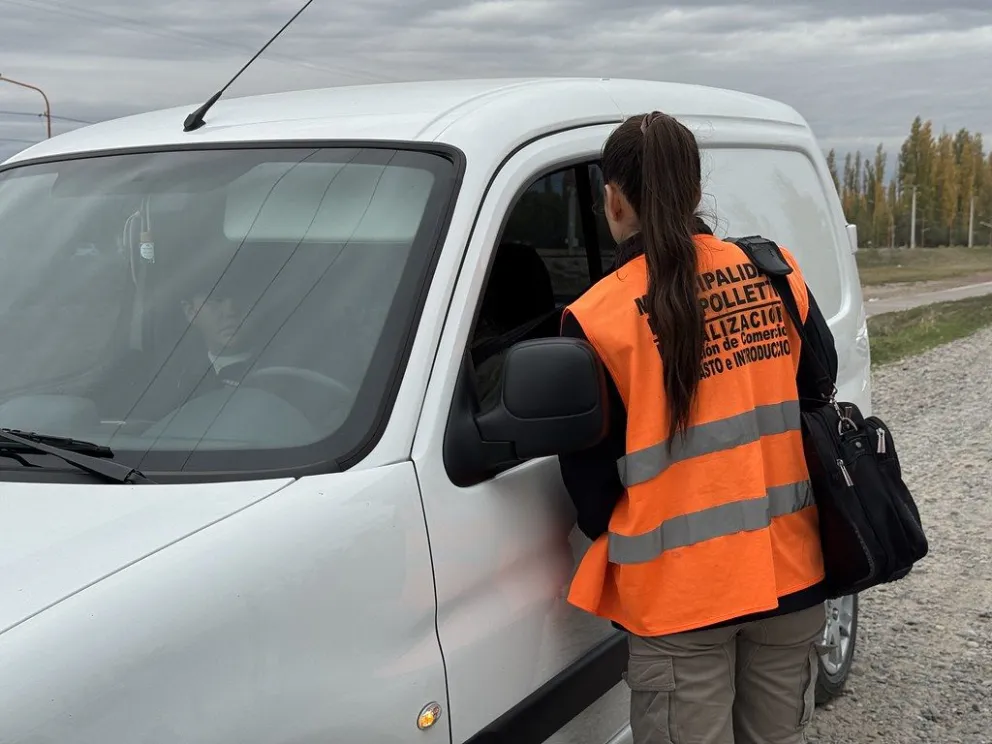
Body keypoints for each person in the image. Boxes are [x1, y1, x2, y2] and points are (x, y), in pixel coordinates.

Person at [558, 112, 839, 744]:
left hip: (680, 599)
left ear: (613, 198)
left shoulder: (597, 316)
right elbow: (817, 388)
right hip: (790, 573)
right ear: (694, 189)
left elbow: (591, 488)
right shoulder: (774, 270)